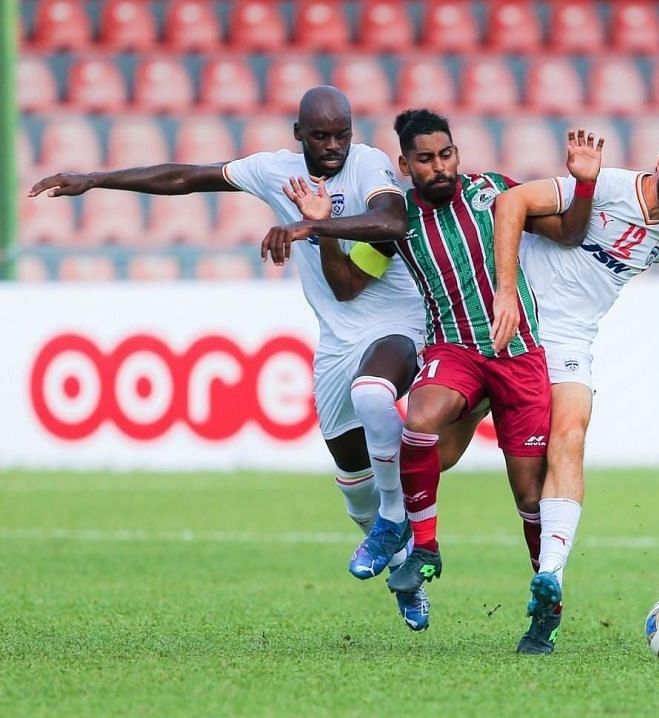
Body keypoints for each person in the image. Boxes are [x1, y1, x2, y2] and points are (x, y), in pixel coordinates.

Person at [28, 86, 431, 632]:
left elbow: (391, 222)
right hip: (338, 339)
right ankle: (402, 568)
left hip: (398, 322)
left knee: (373, 394)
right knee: (353, 489)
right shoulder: (274, 171)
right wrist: (96, 180)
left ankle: (395, 520)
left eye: (342, 133)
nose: (334, 146)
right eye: (320, 136)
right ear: (298, 135)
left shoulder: (369, 165)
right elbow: (186, 177)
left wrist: (311, 225)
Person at [284, 108, 603, 650]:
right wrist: (320, 229)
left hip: (521, 357)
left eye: (447, 154)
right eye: (426, 160)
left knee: (529, 494)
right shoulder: (395, 222)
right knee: (420, 421)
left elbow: (571, 233)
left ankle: (545, 606)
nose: (440, 167)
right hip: (453, 348)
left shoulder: (495, 193)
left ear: (458, 152)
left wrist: (584, 182)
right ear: (405, 165)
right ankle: (425, 548)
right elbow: (346, 286)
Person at [494, 116, 659, 653]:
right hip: (512, 322)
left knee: (570, 437)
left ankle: (551, 577)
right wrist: (505, 292)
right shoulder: (602, 184)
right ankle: (402, 533)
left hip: (570, 340)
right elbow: (510, 204)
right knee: (441, 449)